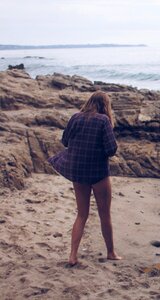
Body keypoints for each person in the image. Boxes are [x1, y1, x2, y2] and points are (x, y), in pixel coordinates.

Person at [48, 91, 122, 266]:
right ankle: (111, 252)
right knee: (105, 215)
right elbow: (111, 150)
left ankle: (73, 256)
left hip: (78, 171)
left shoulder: (75, 117)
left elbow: (65, 141)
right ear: (105, 105)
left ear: (89, 102)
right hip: (98, 173)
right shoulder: (104, 121)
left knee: (82, 215)